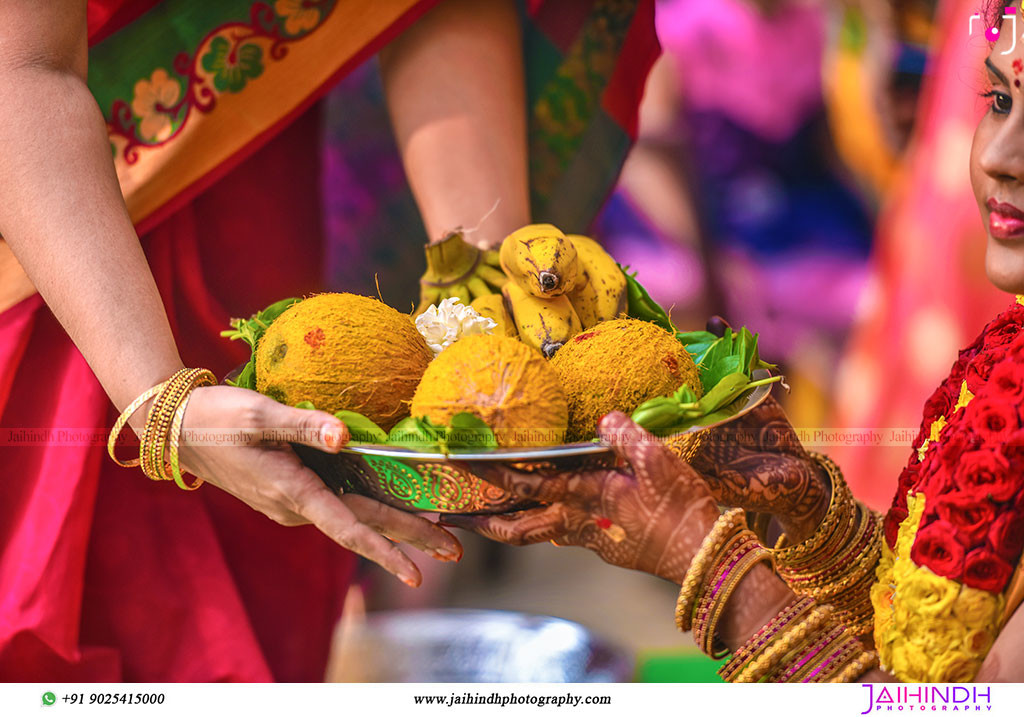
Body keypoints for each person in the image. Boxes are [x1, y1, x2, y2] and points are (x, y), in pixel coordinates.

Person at [0, 0, 658, 681]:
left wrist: (479, 278)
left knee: (268, 607)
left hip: (263, 230)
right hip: (56, 245)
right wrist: (160, 402)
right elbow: (20, 69)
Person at [447, 2, 1024, 682]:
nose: (996, 156)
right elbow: (938, 638)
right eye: (997, 99)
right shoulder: (1004, 353)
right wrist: (807, 500)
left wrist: (702, 559)